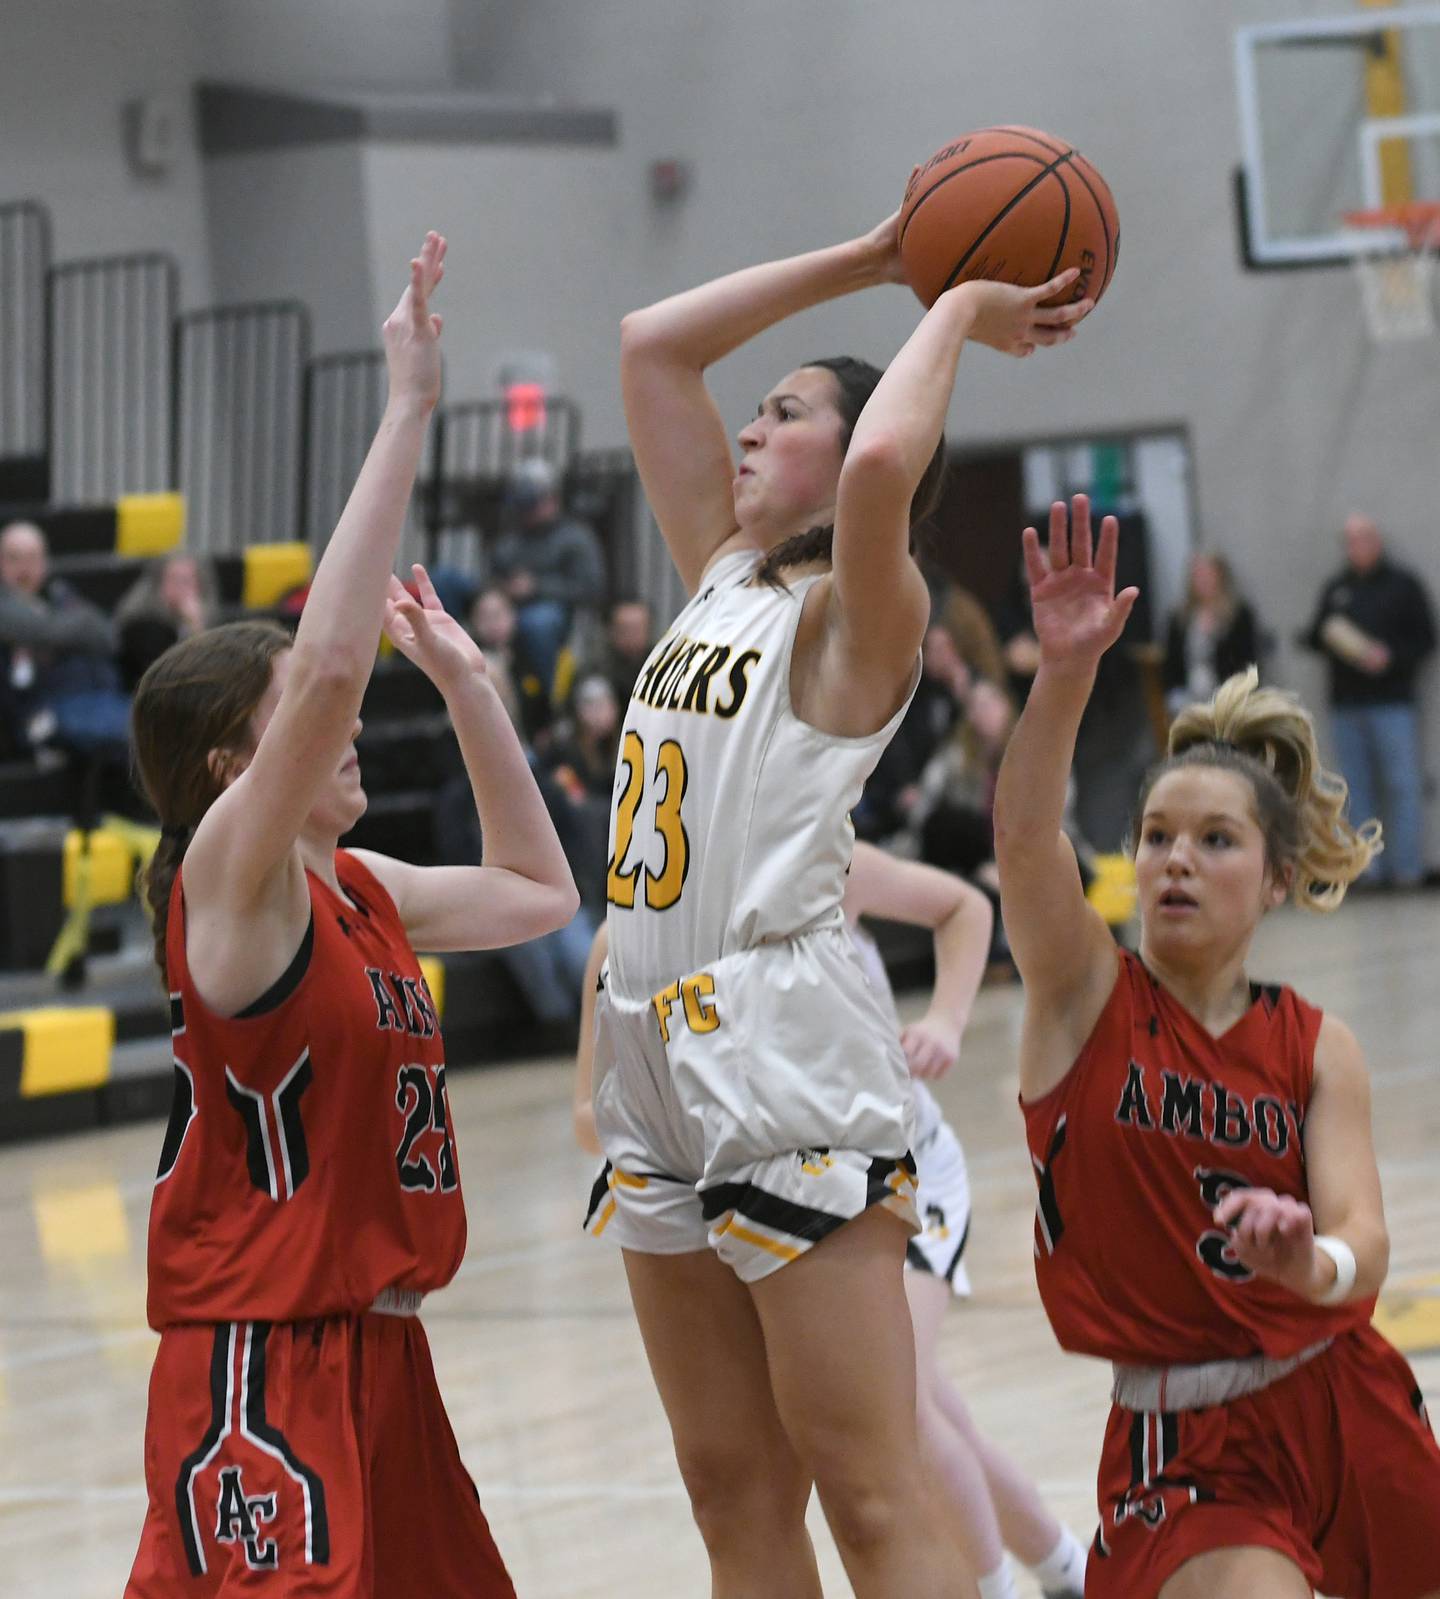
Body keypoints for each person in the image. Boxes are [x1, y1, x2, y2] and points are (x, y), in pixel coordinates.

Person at [587, 192, 1090, 1599]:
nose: (749, 427)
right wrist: (876, 256)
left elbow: (880, 474)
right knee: (729, 1488)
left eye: (784, 410)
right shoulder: (725, 573)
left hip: (778, 1046)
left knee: (868, 1491)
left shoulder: (867, 609)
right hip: (652, 1041)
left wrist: (957, 313)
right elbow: (646, 348)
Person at [123, 234, 579, 1598]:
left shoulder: (361, 892)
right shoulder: (231, 884)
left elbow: (538, 891)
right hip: (269, 1352)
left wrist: (468, 684)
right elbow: (326, 664)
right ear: (231, 772)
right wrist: (407, 409)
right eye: (307, 723)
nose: (348, 721)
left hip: (384, 1355)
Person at [994, 495, 1440, 1598]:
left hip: (1346, 1401)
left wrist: (1307, 1264)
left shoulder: (1314, 1046)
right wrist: (1062, 676)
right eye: (1156, 837)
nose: (1176, 860)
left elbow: (1364, 1250)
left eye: (1216, 840)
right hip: (1187, 1446)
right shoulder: (1083, 994)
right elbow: (1021, 837)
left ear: (1277, 881)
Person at [571, 839, 1090, 1599]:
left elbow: (963, 905)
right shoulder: (628, 937)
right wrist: (665, 1115)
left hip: (899, 1170)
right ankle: (1068, 1566)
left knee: (902, 1409)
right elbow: (592, 1110)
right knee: (928, 1410)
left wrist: (946, 1020)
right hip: (753, 1198)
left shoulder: (814, 855)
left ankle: (995, 1587)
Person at [1301, 512, 1436, 890]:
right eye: (1350, 540)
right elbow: (1316, 634)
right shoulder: (1337, 588)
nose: (1356, 547)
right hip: (1346, 702)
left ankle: (1408, 869)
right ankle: (1367, 870)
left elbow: (1425, 638)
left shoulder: (1403, 585)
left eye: (1362, 539)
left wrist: (1390, 657)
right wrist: (1332, 637)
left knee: (1402, 785)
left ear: (1376, 541)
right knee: (1354, 789)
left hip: (1392, 701)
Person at [0, 518, 129, 762]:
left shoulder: (60, 593)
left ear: (44, 562)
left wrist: (58, 631)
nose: (24, 568)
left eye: (32, 558)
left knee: (149, 726)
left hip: (95, 700)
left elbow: (108, 637)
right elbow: (42, 630)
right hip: (41, 714)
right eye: (14, 558)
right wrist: (78, 626)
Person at [488, 457, 606, 697]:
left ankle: (547, 701)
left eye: (532, 503)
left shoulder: (575, 537)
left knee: (538, 622)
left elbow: (592, 588)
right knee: (450, 583)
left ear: (552, 498)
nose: (528, 512)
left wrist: (536, 587)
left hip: (560, 617)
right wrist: (501, 595)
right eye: (523, 505)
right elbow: (491, 579)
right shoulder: (510, 540)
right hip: (507, 611)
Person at [1162, 552, 1261, 717]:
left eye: (1208, 574)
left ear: (1220, 576)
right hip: (1187, 695)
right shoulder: (1179, 618)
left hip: (1226, 693)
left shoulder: (1238, 614)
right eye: (1198, 575)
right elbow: (1170, 665)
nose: (1203, 581)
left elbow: (1246, 662)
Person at [115, 550, 218, 690]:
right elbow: (169, 675)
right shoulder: (142, 624)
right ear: (158, 584)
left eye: (187, 580)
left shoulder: (210, 621)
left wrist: (196, 625)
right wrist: (196, 629)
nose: (181, 587)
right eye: (174, 579)